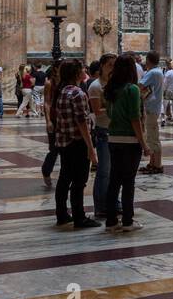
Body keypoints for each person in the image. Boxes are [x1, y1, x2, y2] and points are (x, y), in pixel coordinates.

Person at [51, 59, 99, 229]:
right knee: (79, 181)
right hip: (77, 142)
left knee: (64, 178)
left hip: (64, 141)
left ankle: (62, 214)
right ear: (77, 73)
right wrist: (90, 148)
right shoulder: (78, 93)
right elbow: (82, 122)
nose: (84, 70)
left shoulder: (62, 91)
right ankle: (80, 217)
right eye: (81, 68)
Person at [104, 53, 147, 231]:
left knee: (114, 180)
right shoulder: (132, 89)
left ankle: (111, 221)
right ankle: (128, 221)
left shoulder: (110, 88)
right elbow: (135, 118)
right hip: (129, 140)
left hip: (113, 138)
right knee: (129, 182)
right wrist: (143, 143)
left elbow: (108, 113)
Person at [86, 54, 116, 220]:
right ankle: (100, 206)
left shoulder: (114, 84)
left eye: (115, 65)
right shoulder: (96, 87)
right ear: (102, 67)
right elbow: (97, 111)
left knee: (115, 171)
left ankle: (113, 202)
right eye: (110, 65)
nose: (113, 68)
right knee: (104, 171)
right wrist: (117, 107)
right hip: (103, 130)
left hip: (117, 130)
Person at [139, 52, 165, 174]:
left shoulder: (153, 72)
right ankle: (152, 162)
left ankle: (157, 165)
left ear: (148, 60)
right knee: (151, 136)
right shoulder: (158, 71)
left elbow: (140, 85)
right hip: (153, 107)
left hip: (151, 108)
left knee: (153, 137)